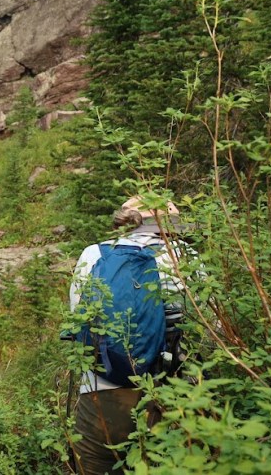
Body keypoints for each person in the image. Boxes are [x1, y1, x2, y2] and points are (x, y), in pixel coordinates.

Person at [68, 196, 191, 475]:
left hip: (102, 392)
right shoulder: (184, 257)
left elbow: (79, 322)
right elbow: (211, 330)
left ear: (125, 221)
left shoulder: (94, 254)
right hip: (171, 389)